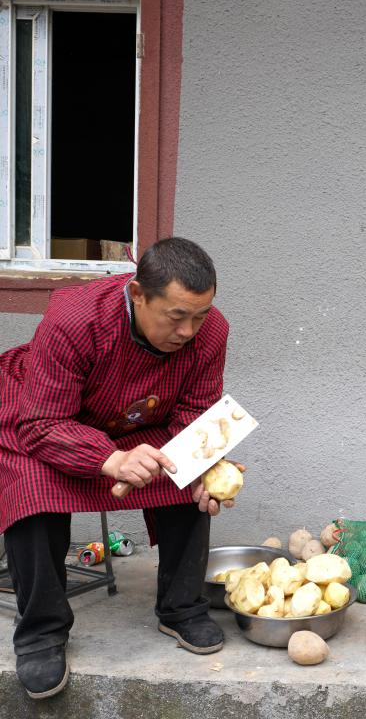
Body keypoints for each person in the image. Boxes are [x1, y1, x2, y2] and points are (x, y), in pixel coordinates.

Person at [0, 237, 242, 700]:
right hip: (43, 418)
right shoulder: (74, 319)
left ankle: (182, 608)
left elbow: (196, 413)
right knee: (31, 490)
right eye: (176, 316)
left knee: (186, 473)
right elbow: (42, 422)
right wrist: (111, 460)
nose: (189, 331)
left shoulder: (212, 332)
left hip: (135, 423)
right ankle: (41, 632)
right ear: (137, 294)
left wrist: (204, 462)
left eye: (200, 316)